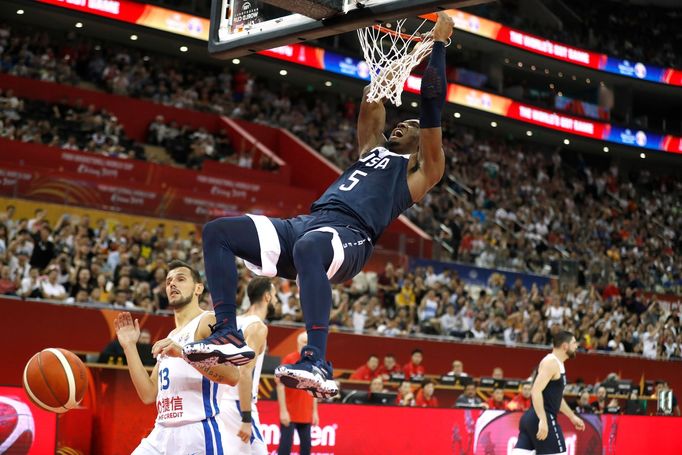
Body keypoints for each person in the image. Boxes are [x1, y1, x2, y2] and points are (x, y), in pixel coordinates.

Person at [182, 12, 454, 399]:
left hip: (351, 237)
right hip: (309, 223)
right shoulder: (371, 149)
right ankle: (227, 331)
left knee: (311, 246)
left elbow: (430, 107)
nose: (402, 125)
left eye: (409, 125)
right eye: (401, 122)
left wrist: (438, 46)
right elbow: (372, 98)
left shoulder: (423, 171)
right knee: (218, 232)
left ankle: (317, 360)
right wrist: (398, 58)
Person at [115, 260, 239, 455]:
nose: (172, 284)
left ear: (198, 288)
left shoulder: (208, 321)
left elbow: (233, 376)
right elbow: (148, 394)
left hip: (197, 431)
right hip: (161, 432)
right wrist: (129, 346)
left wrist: (183, 353)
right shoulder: (171, 337)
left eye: (180, 279)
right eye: (168, 281)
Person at [220, 277, 274, 455]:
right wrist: (246, 417)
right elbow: (244, 372)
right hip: (238, 403)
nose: (275, 299)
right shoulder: (258, 327)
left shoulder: (234, 321)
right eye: (274, 295)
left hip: (222, 400)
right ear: (267, 296)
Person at [512, 331, 585, 455]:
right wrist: (543, 420)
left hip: (531, 418)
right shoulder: (551, 362)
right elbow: (535, 391)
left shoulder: (558, 364)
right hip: (542, 416)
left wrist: (572, 416)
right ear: (565, 346)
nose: (576, 346)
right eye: (574, 343)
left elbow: (557, 398)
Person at [276, 332, 319, 455]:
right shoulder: (289, 360)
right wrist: (283, 411)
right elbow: (280, 386)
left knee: (306, 448)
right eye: (305, 342)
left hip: (306, 413)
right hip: (290, 412)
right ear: (298, 343)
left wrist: (315, 412)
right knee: (285, 448)